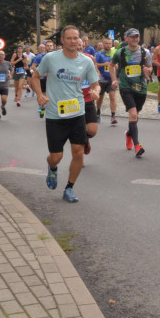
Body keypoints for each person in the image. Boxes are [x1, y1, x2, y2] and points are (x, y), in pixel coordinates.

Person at [29, 26, 99, 203]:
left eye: (76, 38)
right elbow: (35, 77)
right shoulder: (51, 58)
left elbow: (95, 84)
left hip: (77, 113)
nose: (73, 41)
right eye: (69, 38)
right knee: (56, 157)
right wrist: (40, 95)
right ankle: (52, 168)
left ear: (80, 41)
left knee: (78, 152)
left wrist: (96, 91)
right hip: (55, 115)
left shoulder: (86, 62)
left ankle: (69, 187)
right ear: (62, 40)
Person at [111, 28, 152, 157]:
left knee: (136, 115)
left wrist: (148, 71)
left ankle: (129, 134)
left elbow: (150, 67)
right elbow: (111, 65)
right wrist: (114, 80)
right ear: (127, 38)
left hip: (141, 87)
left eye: (137, 37)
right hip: (126, 86)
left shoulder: (145, 52)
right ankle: (137, 145)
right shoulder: (120, 52)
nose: (135, 39)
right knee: (133, 113)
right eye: (132, 37)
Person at [93, 37, 117, 125]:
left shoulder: (114, 54)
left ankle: (113, 116)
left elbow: (117, 65)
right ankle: (98, 111)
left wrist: (116, 66)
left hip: (111, 79)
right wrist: (104, 64)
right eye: (106, 43)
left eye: (110, 43)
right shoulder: (99, 54)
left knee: (112, 96)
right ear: (103, 44)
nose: (108, 45)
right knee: (100, 98)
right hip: (101, 79)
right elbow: (95, 64)